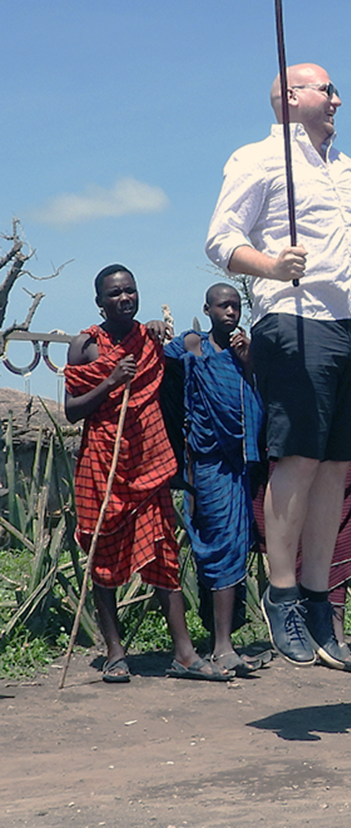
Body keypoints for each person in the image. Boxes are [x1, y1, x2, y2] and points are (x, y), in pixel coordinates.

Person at [205, 63, 351, 672]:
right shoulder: (258, 158)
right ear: (288, 97)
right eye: (325, 88)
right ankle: (281, 593)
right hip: (292, 316)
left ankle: (315, 595)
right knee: (299, 459)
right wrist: (273, 266)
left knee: (337, 467)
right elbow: (221, 241)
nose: (337, 97)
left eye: (334, 89)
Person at [65, 265, 229, 682]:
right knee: (102, 561)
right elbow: (71, 410)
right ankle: (115, 653)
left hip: (148, 464)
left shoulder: (150, 339)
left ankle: (185, 654)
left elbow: (189, 355)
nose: (125, 299)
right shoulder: (85, 346)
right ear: (100, 302)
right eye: (115, 294)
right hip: (103, 466)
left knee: (163, 557)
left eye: (131, 292)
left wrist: (158, 332)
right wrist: (112, 382)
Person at [162, 283, 268, 676]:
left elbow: (258, 400)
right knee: (220, 547)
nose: (231, 312)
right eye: (223, 305)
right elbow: (159, 364)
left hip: (242, 466)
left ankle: (224, 643)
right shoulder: (194, 346)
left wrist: (248, 363)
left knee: (236, 548)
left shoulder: (246, 353)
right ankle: (221, 646)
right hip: (208, 465)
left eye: (237, 306)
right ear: (207, 309)